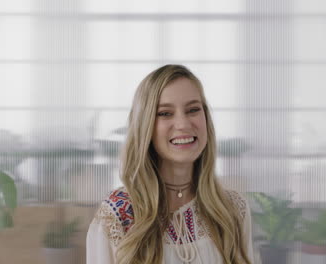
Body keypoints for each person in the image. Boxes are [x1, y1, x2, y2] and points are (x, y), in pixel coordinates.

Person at [86, 65, 254, 264]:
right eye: (165, 113)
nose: (183, 124)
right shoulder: (117, 214)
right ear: (145, 125)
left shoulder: (233, 210)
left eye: (193, 110)